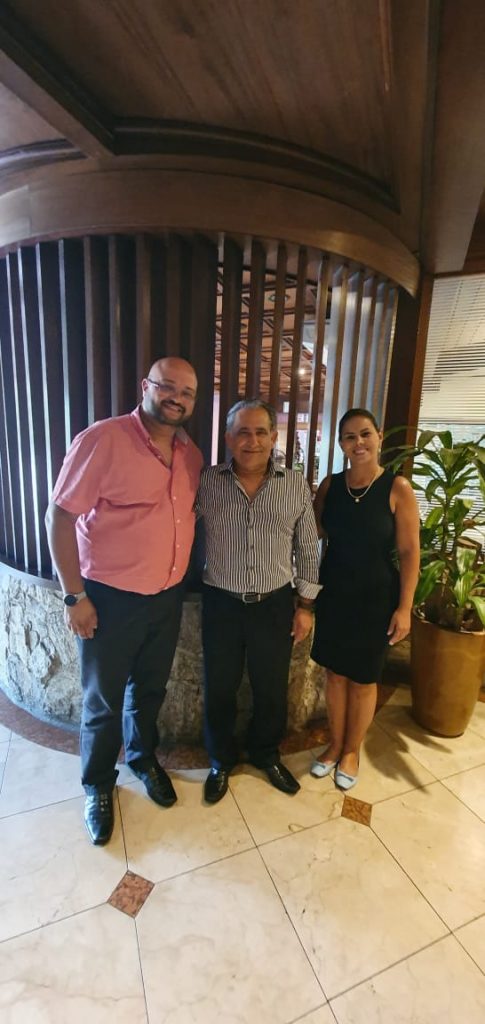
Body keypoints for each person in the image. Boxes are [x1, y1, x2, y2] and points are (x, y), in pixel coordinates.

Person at [45, 357, 203, 845]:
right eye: (168, 386)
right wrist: (75, 596)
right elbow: (59, 517)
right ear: (145, 387)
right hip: (109, 600)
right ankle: (97, 785)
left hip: (166, 598)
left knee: (150, 690)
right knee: (102, 702)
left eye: (187, 392)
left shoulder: (190, 454)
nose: (177, 398)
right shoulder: (104, 440)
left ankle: (142, 758)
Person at [196, 399, 321, 804]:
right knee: (220, 686)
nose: (252, 441)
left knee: (270, 688)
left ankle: (266, 753)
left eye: (260, 432)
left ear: (274, 437)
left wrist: (305, 606)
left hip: (274, 604)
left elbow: (307, 547)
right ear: (228, 438)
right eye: (243, 432)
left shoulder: (295, 485)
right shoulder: (207, 481)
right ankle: (220, 759)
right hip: (221, 603)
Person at [310, 407, 420, 790]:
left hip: (376, 598)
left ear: (379, 436)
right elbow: (312, 532)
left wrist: (405, 608)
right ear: (341, 444)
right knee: (334, 674)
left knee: (363, 678)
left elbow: (409, 552)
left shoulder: (397, 488)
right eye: (349, 437)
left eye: (365, 434)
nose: (358, 443)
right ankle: (334, 744)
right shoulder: (330, 486)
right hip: (334, 593)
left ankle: (352, 751)